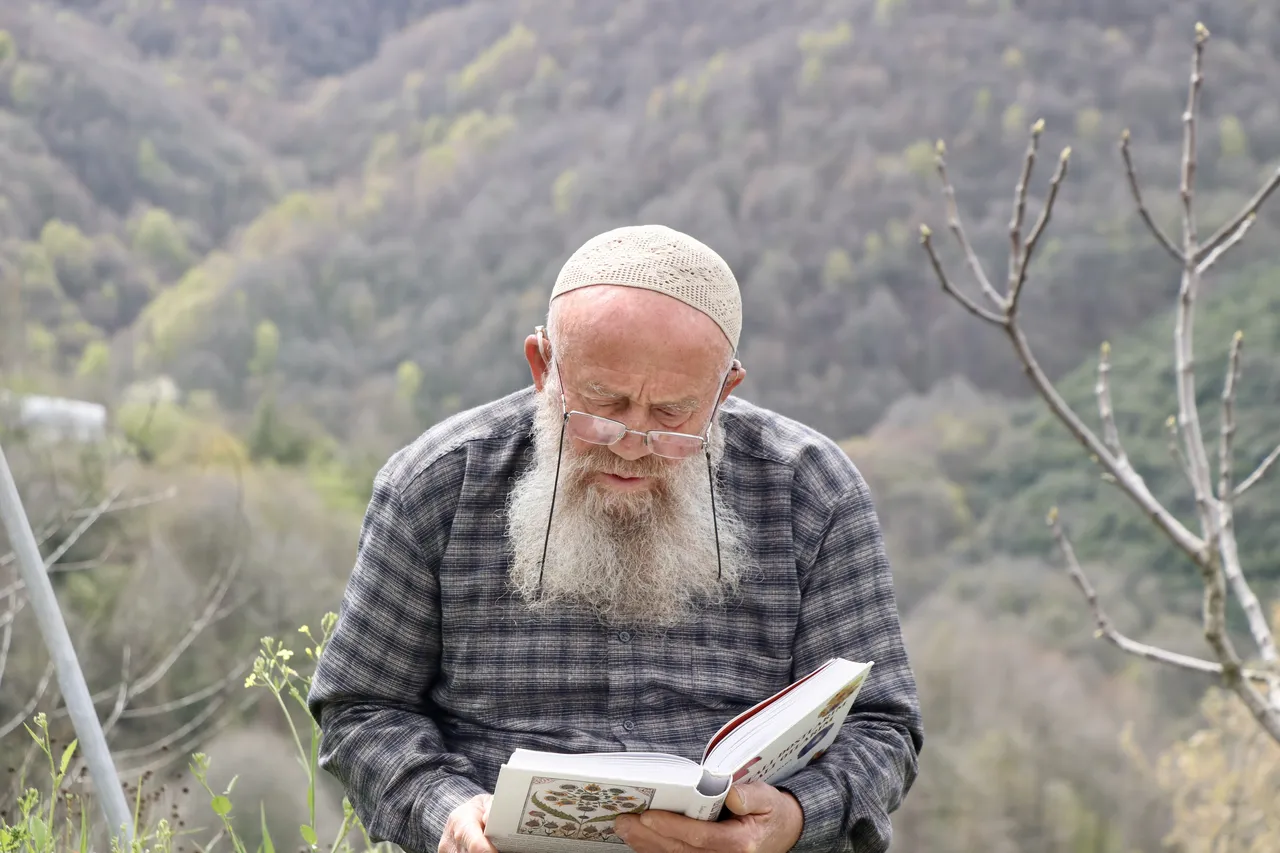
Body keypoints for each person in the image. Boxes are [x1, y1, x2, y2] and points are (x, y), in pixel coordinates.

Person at [306, 224, 924, 853]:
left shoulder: (811, 492)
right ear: (544, 365)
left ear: (724, 390)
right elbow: (361, 708)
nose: (633, 443)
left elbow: (881, 727)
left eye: (672, 413)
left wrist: (790, 820)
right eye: (604, 402)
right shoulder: (437, 484)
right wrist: (448, 813)